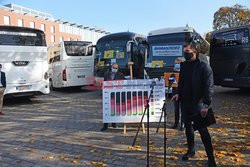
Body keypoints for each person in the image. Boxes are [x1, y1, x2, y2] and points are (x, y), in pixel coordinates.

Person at [171, 36, 216, 167]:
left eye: (188, 52)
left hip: (199, 103)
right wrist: (178, 94)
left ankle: (211, 157)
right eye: (184, 52)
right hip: (185, 103)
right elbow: (182, 82)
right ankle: (191, 150)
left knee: (203, 131)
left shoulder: (204, 67)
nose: (185, 54)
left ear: (195, 52)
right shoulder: (184, 66)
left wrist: (206, 104)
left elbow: (209, 87)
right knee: (188, 128)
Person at [101, 63, 125, 131]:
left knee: (114, 109)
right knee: (106, 110)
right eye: (114, 67)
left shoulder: (121, 75)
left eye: (116, 68)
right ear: (111, 67)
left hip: (116, 94)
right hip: (107, 94)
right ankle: (105, 125)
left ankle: (113, 123)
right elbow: (104, 83)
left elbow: (124, 83)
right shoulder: (106, 74)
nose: (115, 69)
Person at [171, 58, 184, 131]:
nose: (177, 65)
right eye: (176, 63)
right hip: (175, 91)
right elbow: (170, 81)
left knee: (183, 108)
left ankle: (182, 124)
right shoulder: (173, 73)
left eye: (179, 64)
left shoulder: (185, 72)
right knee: (176, 108)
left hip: (183, 92)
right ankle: (176, 123)